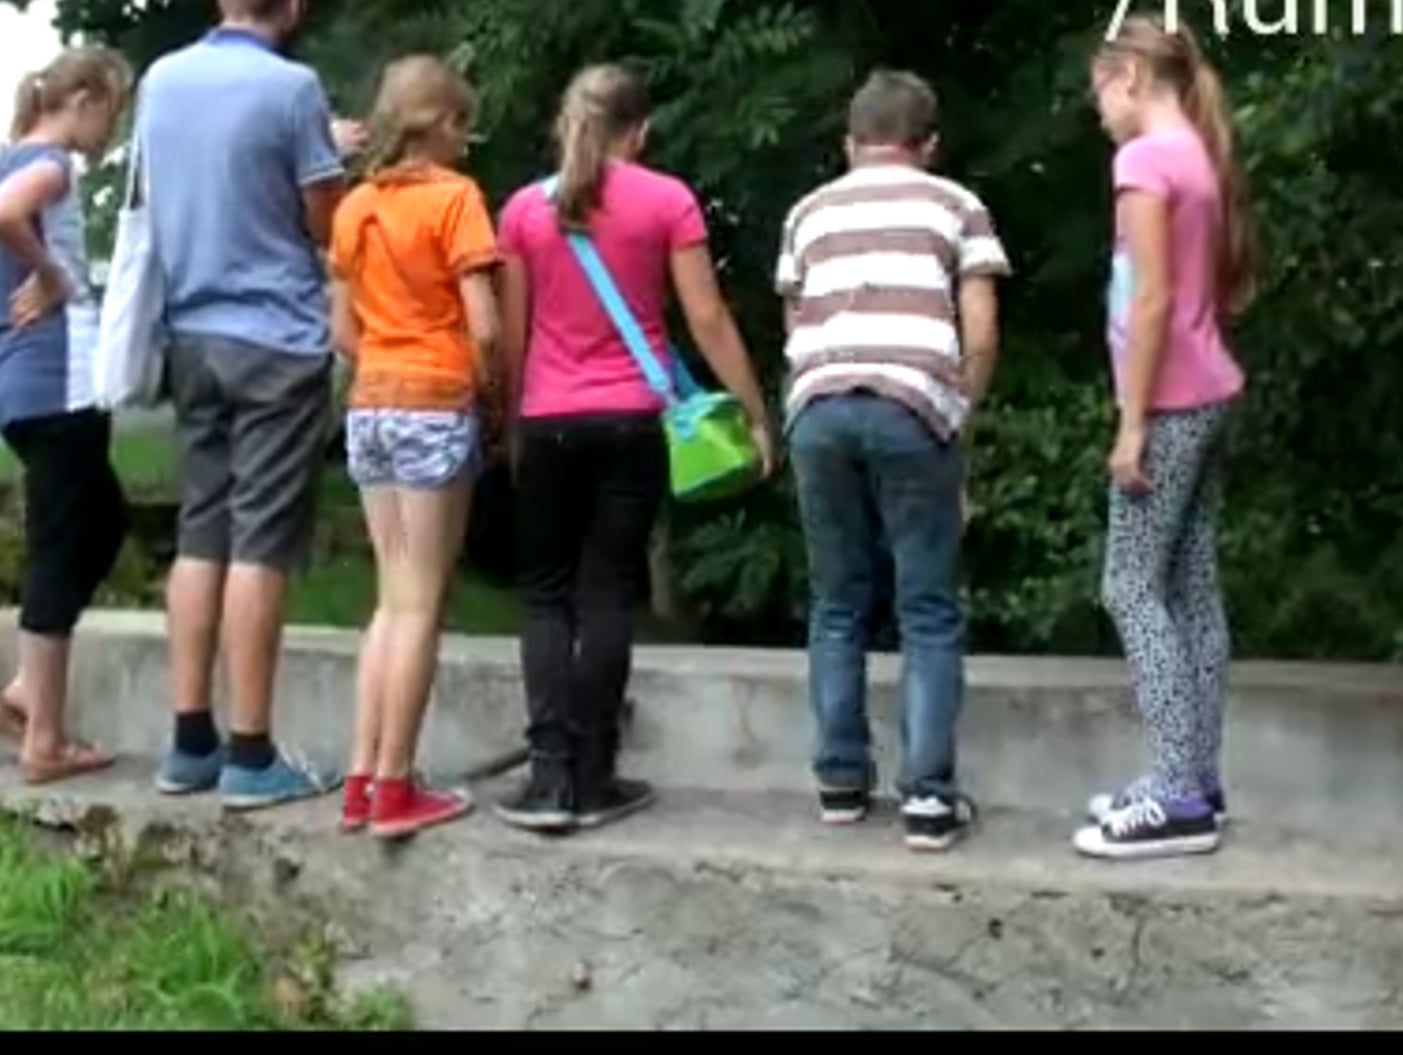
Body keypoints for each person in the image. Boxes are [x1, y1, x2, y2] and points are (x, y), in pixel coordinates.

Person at [494, 62, 777, 834]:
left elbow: (514, 336)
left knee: (545, 596)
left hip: (547, 420)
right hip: (633, 422)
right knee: (608, 592)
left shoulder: (522, 211)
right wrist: (754, 413)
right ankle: (594, 776)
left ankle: (547, 777)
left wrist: (510, 425)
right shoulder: (667, 200)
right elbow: (707, 317)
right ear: (641, 131)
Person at [134, 0, 364, 810]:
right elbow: (323, 223)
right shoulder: (293, 88)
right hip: (275, 339)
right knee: (260, 542)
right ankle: (251, 752)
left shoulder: (161, 80)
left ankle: (188, 740)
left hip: (189, 333)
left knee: (202, 533)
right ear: (294, 5)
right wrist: (332, 154)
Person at [774, 70, 1010, 852]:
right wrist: (957, 420)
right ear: (928, 144)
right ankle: (930, 800)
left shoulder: (807, 211)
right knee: (927, 606)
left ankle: (841, 781)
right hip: (913, 407)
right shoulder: (956, 205)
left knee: (837, 601)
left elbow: (795, 326)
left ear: (851, 143)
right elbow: (981, 333)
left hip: (818, 411)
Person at [1072, 14, 1253, 861]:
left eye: (1100, 90)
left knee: (1131, 589)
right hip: (1210, 389)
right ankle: (1196, 780)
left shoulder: (1145, 159)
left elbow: (1149, 299)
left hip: (1171, 401)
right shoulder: (1199, 155)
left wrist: (1132, 422)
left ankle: (1178, 795)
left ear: (1132, 78)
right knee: (1191, 591)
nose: (1097, 109)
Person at [326, 55, 500, 840]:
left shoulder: (355, 205)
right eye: (465, 126)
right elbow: (485, 325)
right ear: (443, 122)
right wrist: (485, 389)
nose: (467, 142)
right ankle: (397, 787)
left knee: (389, 600)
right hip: (434, 402)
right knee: (423, 602)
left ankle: (361, 780)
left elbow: (341, 328)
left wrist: (387, 363)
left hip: (370, 406)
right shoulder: (456, 199)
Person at [0, 47, 136, 785]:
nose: (110, 133)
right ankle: (44, 740)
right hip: (55, 382)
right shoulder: (51, 165)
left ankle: (24, 694)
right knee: (59, 549)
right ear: (85, 99)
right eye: (112, 114)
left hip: (24, 382)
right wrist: (52, 273)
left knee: (102, 522)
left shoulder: (3, 160)